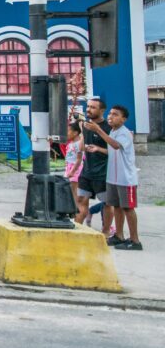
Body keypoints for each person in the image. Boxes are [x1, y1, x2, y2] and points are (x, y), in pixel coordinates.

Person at [84, 105, 141, 250]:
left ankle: (135, 240)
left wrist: (98, 129)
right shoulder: (113, 132)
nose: (111, 116)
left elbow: (116, 146)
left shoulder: (124, 133)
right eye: (110, 113)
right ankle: (119, 236)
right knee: (116, 206)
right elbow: (111, 151)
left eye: (115, 114)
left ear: (124, 119)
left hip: (126, 179)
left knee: (128, 208)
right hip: (113, 178)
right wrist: (97, 149)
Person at [77, 97, 113, 237]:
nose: (88, 110)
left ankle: (106, 232)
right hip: (86, 171)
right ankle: (77, 230)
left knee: (107, 203)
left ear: (102, 110)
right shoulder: (86, 125)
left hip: (103, 173)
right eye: (88, 106)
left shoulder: (108, 128)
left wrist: (99, 149)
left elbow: (116, 150)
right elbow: (82, 147)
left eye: (93, 107)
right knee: (80, 200)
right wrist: (81, 134)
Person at [63, 122, 86, 222]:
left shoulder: (78, 144)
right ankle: (74, 213)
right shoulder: (71, 143)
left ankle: (77, 215)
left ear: (76, 132)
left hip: (75, 169)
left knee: (75, 194)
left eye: (68, 131)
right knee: (71, 193)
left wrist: (73, 171)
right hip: (69, 167)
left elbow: (79, 159)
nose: (66, 133)